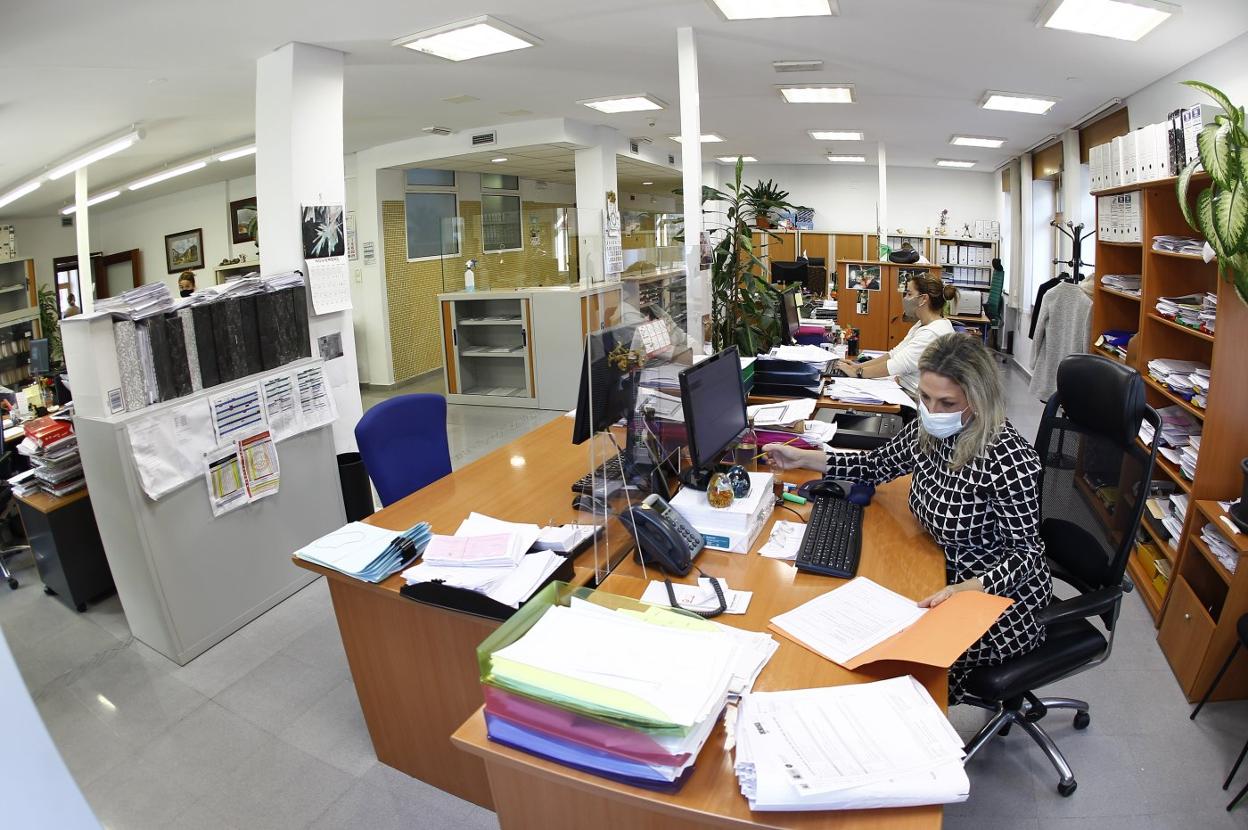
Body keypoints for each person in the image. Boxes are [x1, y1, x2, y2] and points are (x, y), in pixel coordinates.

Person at [766, 334, 1051, 704]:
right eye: (926, 398)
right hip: (939, 571)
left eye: (947, 402)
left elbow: (1027, 554)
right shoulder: (930, 429)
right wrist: (804, 459)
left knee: (891, 661)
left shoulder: (1009, 459)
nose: (933, 410)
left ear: (979, 400)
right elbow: (877, 464)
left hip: (997, 600)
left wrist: (968, 589)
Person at [835, 273, 957, 398]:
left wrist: (857, 373)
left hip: (917, 400)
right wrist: (858, 366)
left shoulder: (932, 333)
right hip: (904, 388)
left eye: (909, 294)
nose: (905, 298)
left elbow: (898, 364)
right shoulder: (923, 324)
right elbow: (895, 354)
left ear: (923, 299)